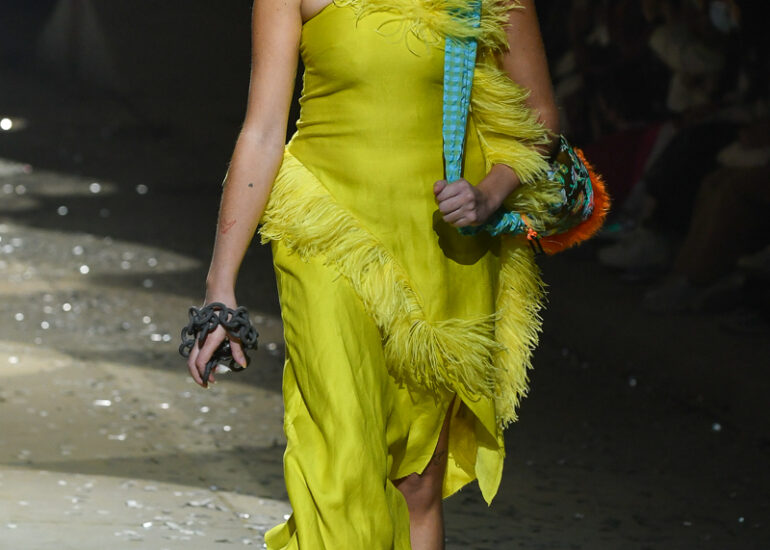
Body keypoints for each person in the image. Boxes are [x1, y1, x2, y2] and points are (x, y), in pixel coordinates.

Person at [185, 0, 559, 547]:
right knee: (340, 456)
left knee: (417, 483)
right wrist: (220, 288)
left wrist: (490, 193)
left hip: (442, 243)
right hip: (323, 233)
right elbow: (263, 131)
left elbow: (540, 115)